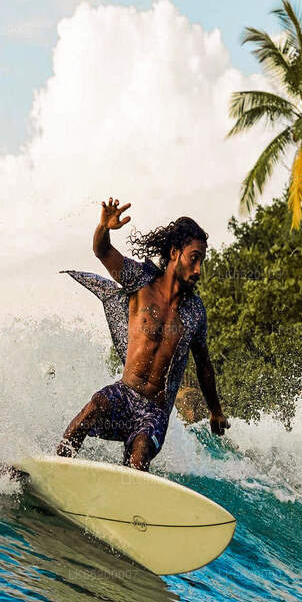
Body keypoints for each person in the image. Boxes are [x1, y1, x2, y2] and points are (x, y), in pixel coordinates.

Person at [56, 197, 228, 471]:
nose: (198, 270)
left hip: (154, 412)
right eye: (194, 259)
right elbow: (102, 251)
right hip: (124, 395)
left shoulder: (195, 312)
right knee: (94, 406)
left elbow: (204, 365)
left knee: (141, 449)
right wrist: (104, 228)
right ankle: (58, 467)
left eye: (201, 262)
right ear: (175, 253)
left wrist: (215, 411)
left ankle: (130, 492)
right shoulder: (139, 280)